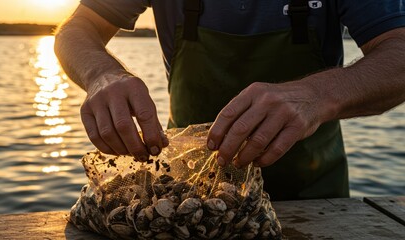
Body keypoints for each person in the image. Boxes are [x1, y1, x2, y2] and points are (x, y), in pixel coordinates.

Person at [55, 0, 405, 200]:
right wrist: (102, 75)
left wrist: (316, 95)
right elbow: (77, 29)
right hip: (188, 195)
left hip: (315, 196)